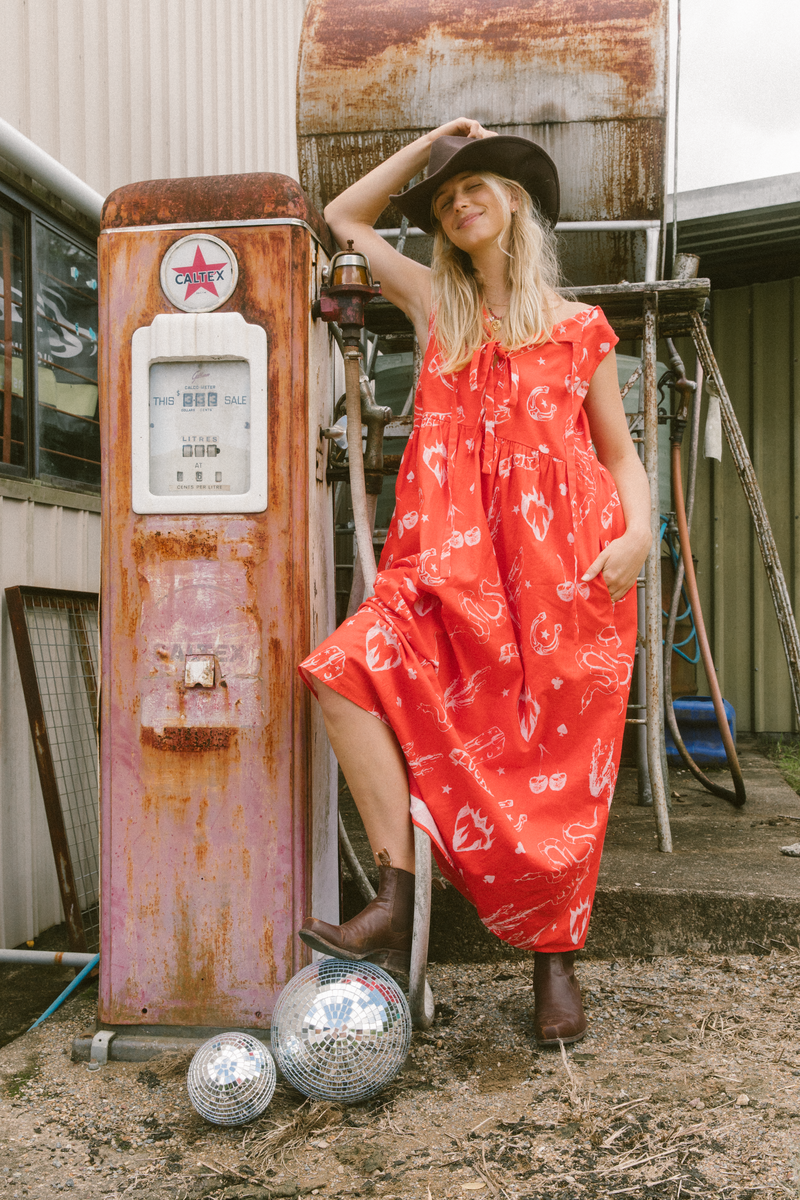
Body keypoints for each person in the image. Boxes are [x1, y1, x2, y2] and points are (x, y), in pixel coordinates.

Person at [298, 118, 651, 1045]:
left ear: (516, 204)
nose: (458, 202)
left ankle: (554, 960)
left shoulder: (580, 332)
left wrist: (642, 535)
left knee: (557, 773)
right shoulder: (434, 307)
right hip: (449, 577)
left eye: (474, 186)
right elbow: (343, 216)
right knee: (343, 668)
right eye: (446, 198)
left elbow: (621, 455)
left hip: (567, 578)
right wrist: (428, 149)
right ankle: (393, 895)